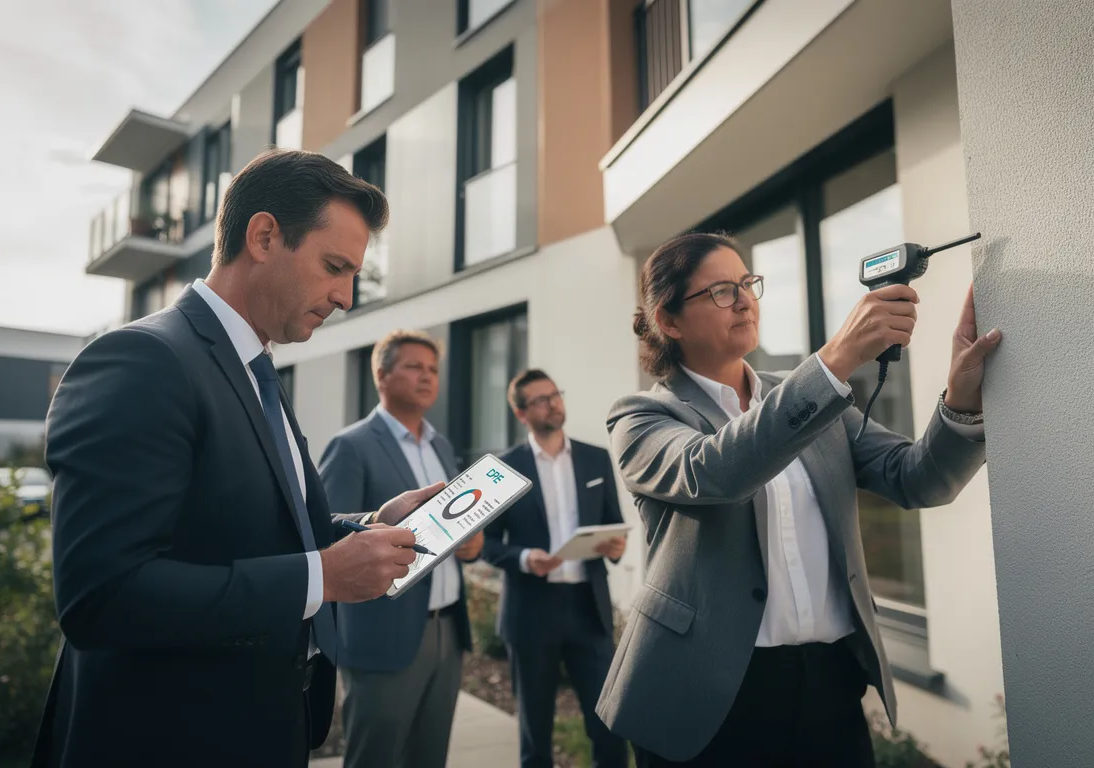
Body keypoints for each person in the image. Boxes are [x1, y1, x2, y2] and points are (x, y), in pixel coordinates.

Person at [32, 149, 443, 768]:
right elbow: (102, 595)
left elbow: (249, 534)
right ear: (264, 235)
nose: (346, 297)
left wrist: (366, 529)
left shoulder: (257, 370)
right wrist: (323, 577)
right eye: (335, 267)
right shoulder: (142, 361)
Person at [596, 232, 1001, 767]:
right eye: (719, 291)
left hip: (830, 687)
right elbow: (714, 472)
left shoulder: (810, 396)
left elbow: (917, 478)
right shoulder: (641, 417)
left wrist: (963, 395)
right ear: (668, 321)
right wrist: (836, 359)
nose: (744, 300)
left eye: (747, 283)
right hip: (704, 696)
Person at [316, 329, 483, 768]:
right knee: (376, 757)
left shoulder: (441, 445)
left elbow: (452, 521)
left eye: (432, 369)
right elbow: (327, 534)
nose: (427, 377)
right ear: (382, 375)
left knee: (429, 757)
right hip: (383, 634)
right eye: (413, 366)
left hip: (447, 627)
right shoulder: (350, 446)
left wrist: (471, 543)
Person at [482, 369, 629, 768]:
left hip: (588, 608)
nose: (553, 403)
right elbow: (485, 544)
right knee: (536, 735)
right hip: (531, 610)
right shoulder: (503, 468)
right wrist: (527, 559)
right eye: (541, 399)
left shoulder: (596, 458)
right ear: (520, 412)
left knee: (610, 726)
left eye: (555, 395)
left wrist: (615, 546)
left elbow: (613, 523)